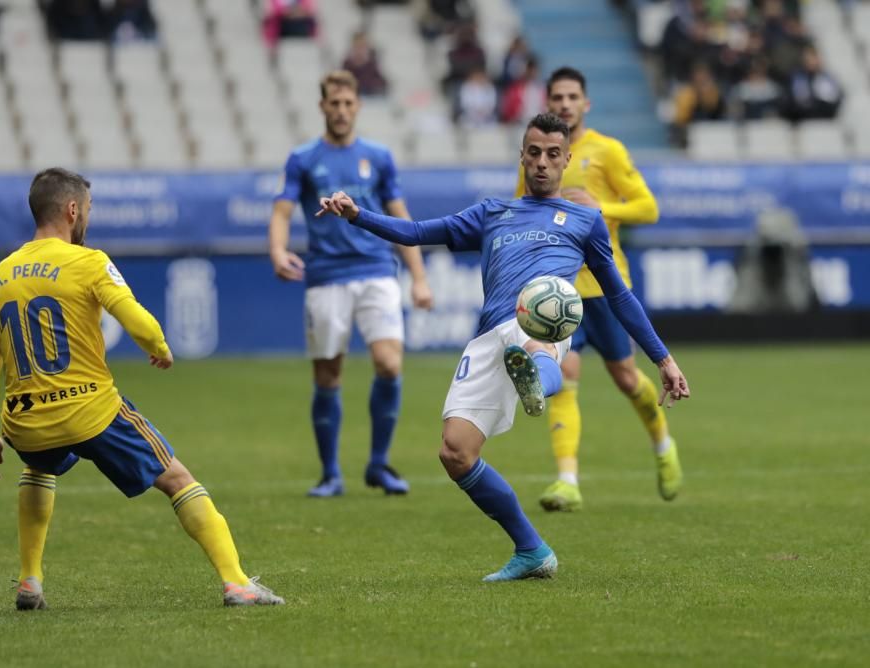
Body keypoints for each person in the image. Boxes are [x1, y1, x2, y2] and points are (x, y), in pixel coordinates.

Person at [317, 113, 690, 580]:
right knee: (455, 453)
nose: (542, 162)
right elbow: (416, 233)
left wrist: (663, 359)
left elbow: (619, 295)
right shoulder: (492, 212)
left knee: (539, 334)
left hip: (543, 316)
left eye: (553, 155)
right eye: (534, 152)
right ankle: (532, 550)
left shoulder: (586, 220)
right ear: (522, 155)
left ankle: (538, 380)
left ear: (566, 159)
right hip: (490, 335)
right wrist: (356, 215)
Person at [0, 168, 283, 610]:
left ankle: (29, 580)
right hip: (90, 411)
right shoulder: (89, 262)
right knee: (178, 479)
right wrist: (158, 347)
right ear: (73, 209)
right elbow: (135, 318)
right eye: (88, 211)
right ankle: (237, 583)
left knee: (39, 467)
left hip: (24, 421)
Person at [514, 68, 683, 512]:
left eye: (572, 97)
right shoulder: (541, 155)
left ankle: (663, 444)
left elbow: (648, 208)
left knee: (626, 378)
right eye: (557, 97)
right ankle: (567, 480)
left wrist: (599, 206)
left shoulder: (607, 152)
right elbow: (522, 213)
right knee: (566, 378)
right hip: (557, 293)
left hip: (605, 288)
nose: (565, 104)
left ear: (586, 104)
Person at [268, 70, 434, 498]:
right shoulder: (303, 158)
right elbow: (283, 211)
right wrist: (278, 251)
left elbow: (401, 218)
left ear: (357, 106)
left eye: (347, 103)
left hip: (377, 271)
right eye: (333, 104)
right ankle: (330, 474)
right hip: (326, 277)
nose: (341, 111)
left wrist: (418, 276)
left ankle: (378, 464)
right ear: (322, 106)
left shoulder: (378, 157)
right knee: (328, 375)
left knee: (390, 364)